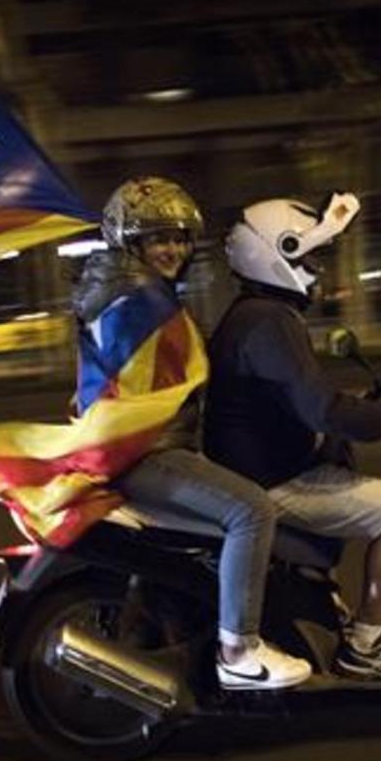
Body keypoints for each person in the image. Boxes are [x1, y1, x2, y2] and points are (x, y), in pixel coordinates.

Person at [203, 193, 381, 683]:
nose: (316, 269)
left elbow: (302, 396)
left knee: (348, 469)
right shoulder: (267, 321)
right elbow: (324, 410)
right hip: (270, 481)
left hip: (261, 467)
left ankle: (327, 607)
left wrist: (368, 410)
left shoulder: (259, 314)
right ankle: (366, 644)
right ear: (278, 253)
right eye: (307, 256)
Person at [78, 176, 312, 691]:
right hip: (146, 452)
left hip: (136, 446)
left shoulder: (125, 286)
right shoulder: (136, 297)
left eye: (181, 238)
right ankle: (239, 650)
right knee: (252, 509)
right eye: (159, 238)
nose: (173, 249)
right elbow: (154, 380)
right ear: (129, 241)